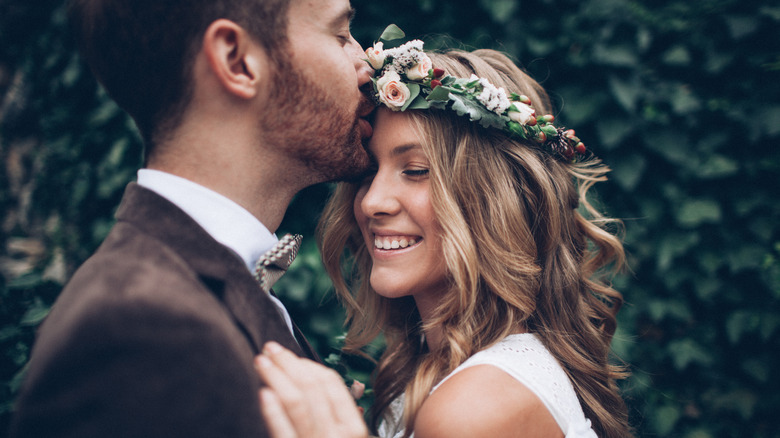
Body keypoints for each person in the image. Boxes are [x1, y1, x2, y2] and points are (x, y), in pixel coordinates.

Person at [10, 0, 373, 437]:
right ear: (237, 61)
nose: (367, 60)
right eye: (340, 35)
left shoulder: (200, 286)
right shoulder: (135, 329)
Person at [254, 36, 632, 438]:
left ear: (496, 199)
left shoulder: (476, 407)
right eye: (367, 173)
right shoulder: (432, 375)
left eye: (415, 170)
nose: (371, 203)